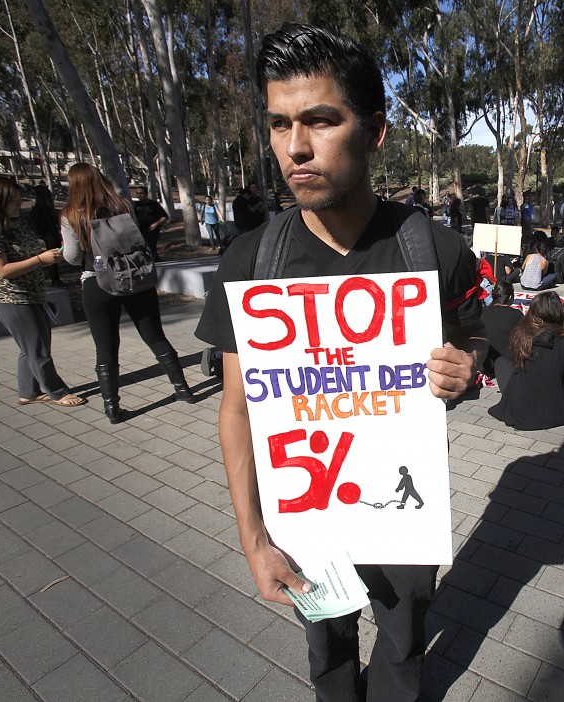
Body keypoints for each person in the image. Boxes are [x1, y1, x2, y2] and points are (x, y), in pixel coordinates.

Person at [192, 24, 486, 702]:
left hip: (402, 514)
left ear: (375, 131)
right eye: (280, 124)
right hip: (305, 516)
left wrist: (466, 366)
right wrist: (254, 538)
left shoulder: (431, 249)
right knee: (325, 644)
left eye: (322, 120)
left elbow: (478, 332)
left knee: (404, 641)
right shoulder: (250, 263)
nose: (295, 147)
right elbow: (236, 412)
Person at [61, 163, 197, 422]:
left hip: (97, 282)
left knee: (106, 347)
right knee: (155, 336)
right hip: (135, 278)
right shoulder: (123, 205)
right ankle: (183, 389)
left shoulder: (70, 215)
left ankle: (112, 408)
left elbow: (72, 256)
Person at [0, 176, 85, 408]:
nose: (18, 203)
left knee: (31, 347)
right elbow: (2, 270)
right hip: (13, 300)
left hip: (34, 296)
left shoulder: (17, 224)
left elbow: (30, 251)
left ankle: (28, 392)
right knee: (37, 349)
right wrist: (40, 259)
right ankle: (57, 391)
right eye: (12, 200)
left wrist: (48, 252)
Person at [488, 291, 564, 430]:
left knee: (501, 362)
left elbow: (515, 364)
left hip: (520, 407)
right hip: (553, 409)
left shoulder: (521, 334)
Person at [480, 280, 523, 379]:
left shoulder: (482, 312)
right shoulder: (516, 314)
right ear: (511, 297)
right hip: (508, 363)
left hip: (487, 364)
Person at [28, 184, 62, 285]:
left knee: (53, 257)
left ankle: (55, 278)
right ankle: (55, 279)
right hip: (48, 234)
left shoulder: (38, 209)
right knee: (51, 257)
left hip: (48, 234)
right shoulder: (42, 210)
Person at [132, 185, 168, 259]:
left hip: (152, 229)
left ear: (146, 194)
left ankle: (156, 262)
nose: (139, 195)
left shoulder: (154, 204)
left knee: (151, 248)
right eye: (137, 193)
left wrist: (155, 225)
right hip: (140, 229)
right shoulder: (135, 205)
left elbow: (164, 216)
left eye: (141, 193)